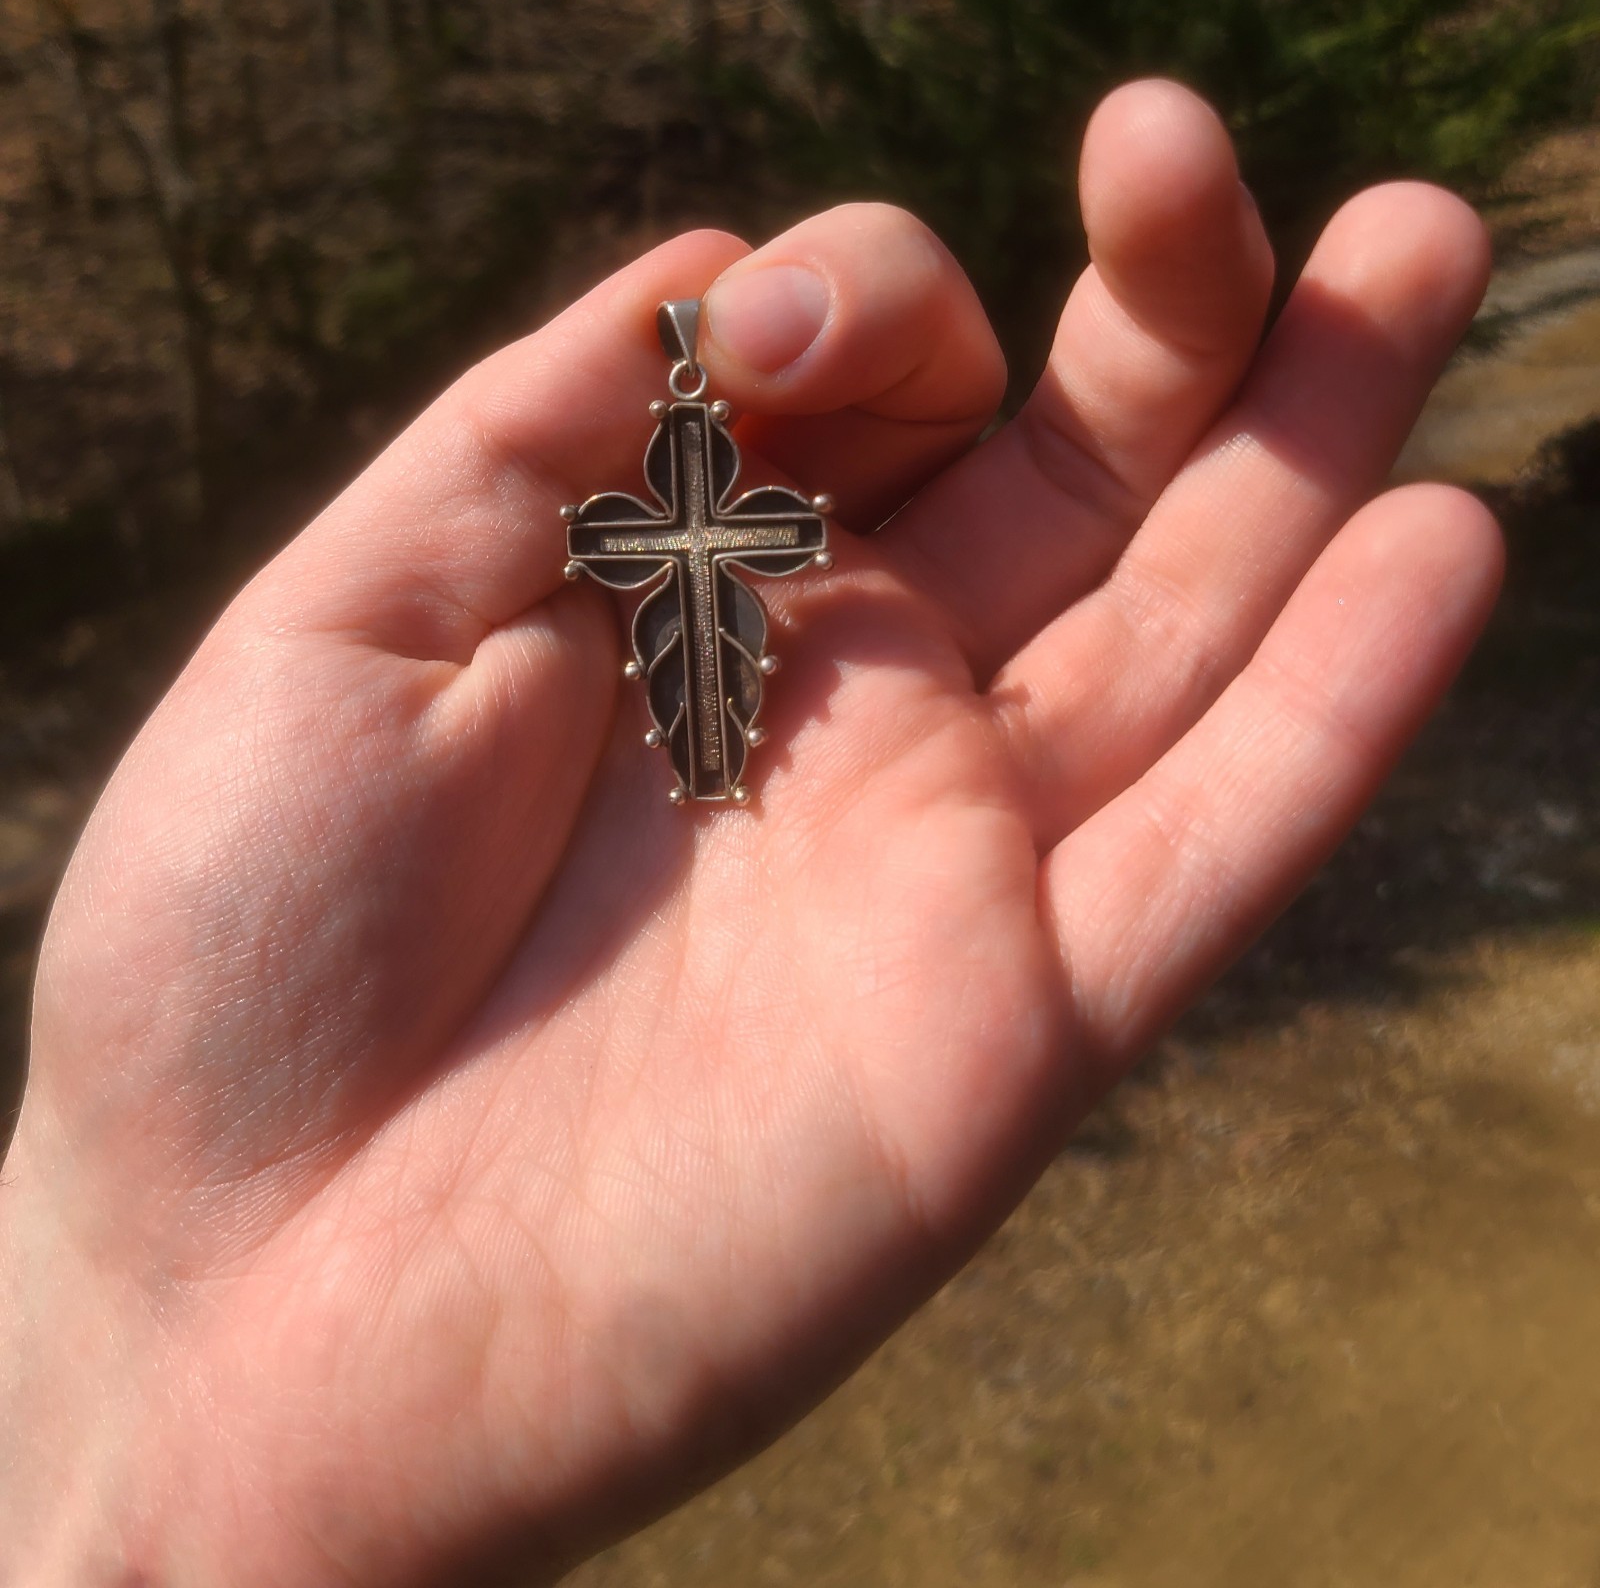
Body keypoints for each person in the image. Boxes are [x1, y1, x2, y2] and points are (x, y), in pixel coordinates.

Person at [0, 79, 1502, 1586]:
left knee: (718, 642)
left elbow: (689, 526)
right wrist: (119, 1331)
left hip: (717, 620)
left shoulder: (714, 517)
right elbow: (619, 532)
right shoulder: (640, 531)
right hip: (686, 637)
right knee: (707, 657)